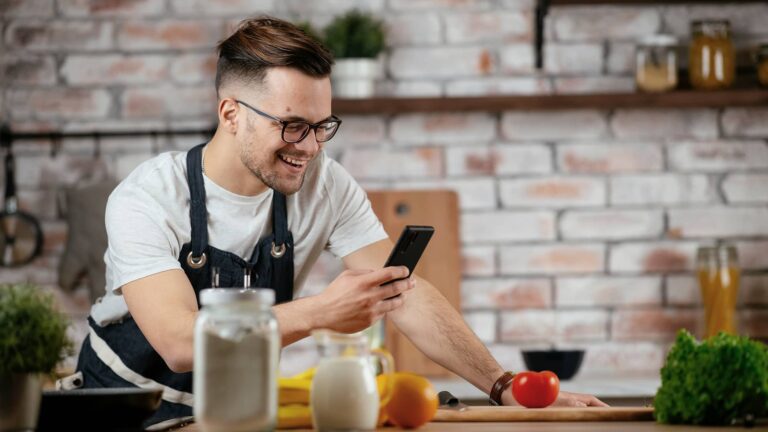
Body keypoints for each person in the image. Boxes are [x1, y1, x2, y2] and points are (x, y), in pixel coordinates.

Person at [74, 15, 607, 428]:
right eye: (292, 126)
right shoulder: (146, 197)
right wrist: (323, 311)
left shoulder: (324, 185)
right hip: (119, 413)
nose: (309, 147)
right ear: (231, 113)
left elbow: (404, 293)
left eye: (321, 125)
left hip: (230, 416)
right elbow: (181, 344)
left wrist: (501, 384)